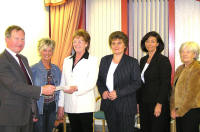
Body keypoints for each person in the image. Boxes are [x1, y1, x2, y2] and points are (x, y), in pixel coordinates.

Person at [0, 25, 55, 132]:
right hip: (11, 117)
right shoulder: (2, 60)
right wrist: (41, 90)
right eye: (16, 38)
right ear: (7, 39)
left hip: (27, 115)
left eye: (22, 39)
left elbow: (29, 84)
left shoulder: (23, 59)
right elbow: (14, 85)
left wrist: (34, 111)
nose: (20, 42)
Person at [97, 31, 141, 132]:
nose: (116, 46)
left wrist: (118, 93)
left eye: (119, 43)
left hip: (126, 105)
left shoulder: (132, 62)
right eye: (113, 43)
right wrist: (103, 91)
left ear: (125, 45)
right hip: (109, 105)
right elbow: (99, 80)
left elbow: (136, 83)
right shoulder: (105, 60)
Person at [57, 29, 99, 132]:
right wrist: (61, 105)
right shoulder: (67, 60)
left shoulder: (93, 60)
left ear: (86, 44)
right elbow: (63, 83)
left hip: (85, 104)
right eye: (75, 41)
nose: (77, 44)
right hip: (70, 103)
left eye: (80, 41)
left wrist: (76, 89)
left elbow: (91, 82)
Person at [137, 31, 172, 132]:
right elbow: (141, 83)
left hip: (157, 103)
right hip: (144, 103)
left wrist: (159, 104)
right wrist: (138, 102)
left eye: (153, 41)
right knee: (145, 128)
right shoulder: (143, 60)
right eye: (147, 41)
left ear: (158, 44)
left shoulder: (163, 60)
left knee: (158, 128)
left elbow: (165, 84)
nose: (149, 44)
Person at [31, 38, 61, 132]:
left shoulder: (56, 69)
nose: (47, 53)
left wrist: (60, 107)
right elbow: (30, 92)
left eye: (50, 50)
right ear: (39, 51)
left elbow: (59, 90)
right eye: (44, 50)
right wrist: (32, 112)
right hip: (39, 108)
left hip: (52, 107)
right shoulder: (33, 69)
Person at [170, 41, 200, 132]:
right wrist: (172, 108)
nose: (184, 54)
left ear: (194, 54)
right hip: (178, 110)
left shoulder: (197, 68)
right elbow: (174, 91)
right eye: (182, 51)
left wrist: (179, 112)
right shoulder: (179, 68)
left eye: (188, 52)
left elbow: (192, 94)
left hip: (191, 111)